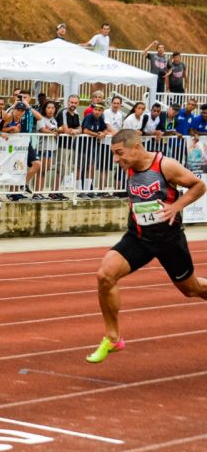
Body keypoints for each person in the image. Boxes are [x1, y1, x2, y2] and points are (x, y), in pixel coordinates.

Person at [86, 129, 207, 363]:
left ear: (137, 148)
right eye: (113, 154)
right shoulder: (128, 166)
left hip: (168, 240)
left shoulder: (165, 166)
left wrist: (176, 206)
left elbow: (199, 186)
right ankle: (113, 338)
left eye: (119, 153)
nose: (116, 159)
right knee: (105, 276)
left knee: (191, 289)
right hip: (138, 238)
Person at [81, 23, 111, 93]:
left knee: (104, 81)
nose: (106, 30)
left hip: (104, 63)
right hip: (97, 62)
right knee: (95, 81)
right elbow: (89, 44)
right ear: (101, 30)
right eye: (104, 29)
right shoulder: (97, 37)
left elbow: (103, 48)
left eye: (107, 29)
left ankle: (99, 96)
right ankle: (93, 97)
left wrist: (111, 47)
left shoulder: (107, 38)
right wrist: (79, 45)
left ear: (109, 30)